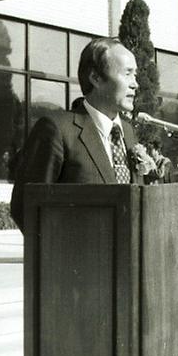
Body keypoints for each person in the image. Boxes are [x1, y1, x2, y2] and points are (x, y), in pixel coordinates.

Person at [10, 37, 149, 230]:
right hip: (77, 256)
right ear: (96, 78)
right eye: (127, 74)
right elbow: (25, 207)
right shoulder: (57, 129)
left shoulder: (128, 132)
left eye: (135, 75)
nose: (135, 84)